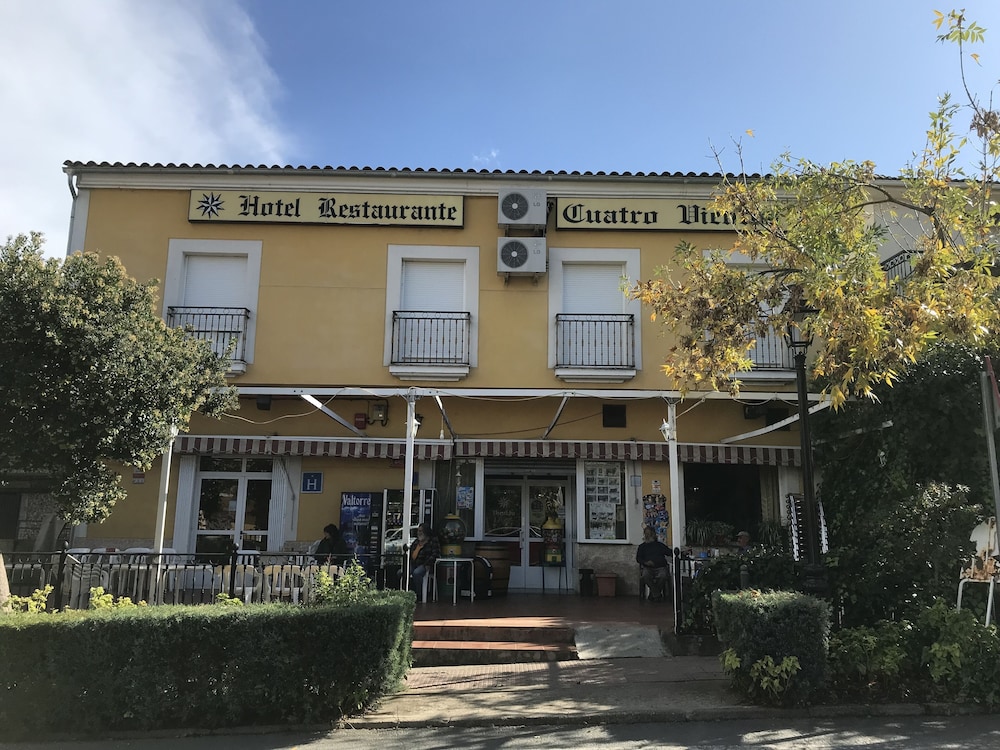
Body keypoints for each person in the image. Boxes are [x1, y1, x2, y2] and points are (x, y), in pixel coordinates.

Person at [636, 526, 672, 601]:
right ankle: (657, 594)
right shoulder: (642, 547)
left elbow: (670, 552)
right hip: (648, 568)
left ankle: (653, 594)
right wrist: (646, 562)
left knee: (663, 576)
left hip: (661, 567)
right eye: (645, 534)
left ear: (653, 534)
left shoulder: (660, 545)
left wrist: (682, 553)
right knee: (645, 576)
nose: (647, 536)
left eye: (648, 534)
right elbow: (638, 558)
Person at [409, 523, 440, 600]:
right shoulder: (416, 542)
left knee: (416, 573)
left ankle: (419, 594)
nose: (419, 533)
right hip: (414, 563)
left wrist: (427, 564)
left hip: (425, 564)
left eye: (421, 531)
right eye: (418, 531)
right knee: (401, 572)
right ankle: (407, 592)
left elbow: (436, 554)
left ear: (426, 532)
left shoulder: (432, 541)